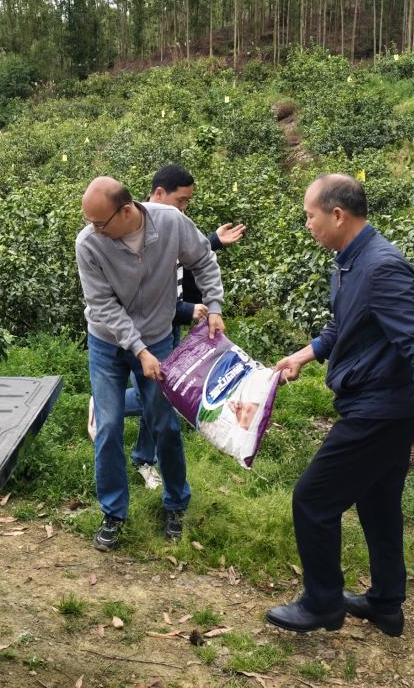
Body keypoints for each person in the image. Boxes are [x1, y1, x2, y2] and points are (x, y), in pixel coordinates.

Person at [264, 174, 414, 636]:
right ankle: (386, 603)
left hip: (383, 408)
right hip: (378, 403)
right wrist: (304, 355)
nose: (306, 223)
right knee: (378, 503)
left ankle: (322, 603)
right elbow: (345, 327)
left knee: (313, 498)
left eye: (310, 215)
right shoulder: (349, 262)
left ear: (337, 215)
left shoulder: (381, 266)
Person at [76, 176, 225, 552]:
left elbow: (204, 260)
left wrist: (215, 308)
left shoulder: (171, 222)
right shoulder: (89, 244)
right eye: (90, 223)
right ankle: (113, 513)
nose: (93, 230)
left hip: (158, 338)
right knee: (108, 426)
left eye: (99, 223)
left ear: (126, 211)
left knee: (164, 424)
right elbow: (103, 306)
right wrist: (137, 349)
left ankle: (176, 503)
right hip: (108, 343)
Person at [110, 164, 246, 491]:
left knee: (161, 397)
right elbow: (144, 294)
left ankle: (139, 450)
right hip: (145, 332)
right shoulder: (132, 232)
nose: (185, 208)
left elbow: (182, 260)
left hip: (169, 326)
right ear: (159, 194)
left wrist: (212, 241)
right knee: (157, 397)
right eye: (181, 200)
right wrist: (186, 311)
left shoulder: (170, 224)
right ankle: (111, 417)